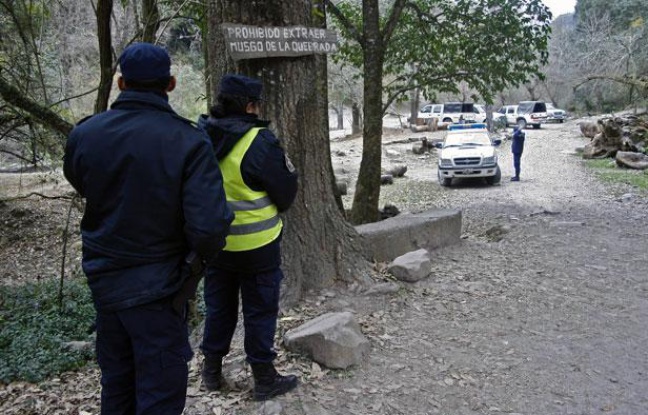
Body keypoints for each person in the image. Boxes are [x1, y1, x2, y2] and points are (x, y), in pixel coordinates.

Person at [63, 43, 233, 415]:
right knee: (159, 394)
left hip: (105, 282)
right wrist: (194, 266)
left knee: (118, 384)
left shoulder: (85, 135)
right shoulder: (188, 140)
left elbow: (81, 182)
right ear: (170, 84)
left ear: (121, 83)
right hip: (159, 289)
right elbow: (210, 226)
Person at [198, 74, 299, 401]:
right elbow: (285, 195)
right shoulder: (259, 141)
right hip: (258, 247)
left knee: (219, 309)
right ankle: (265, 379)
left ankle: (211, 372)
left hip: (216, 247)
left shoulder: (202, 136)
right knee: (259, 312)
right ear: (250, 106)